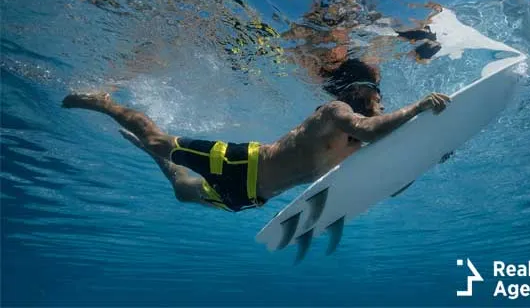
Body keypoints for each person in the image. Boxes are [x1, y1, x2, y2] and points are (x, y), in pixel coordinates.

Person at [62, 84, 450, 213]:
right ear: (362, 99)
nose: (382, 108)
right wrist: (416, 108)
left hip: (252, 197)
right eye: (378, 103)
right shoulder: (335, 113)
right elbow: (371, 127)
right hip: (240, 163)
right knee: (157, 140)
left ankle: (153, 156)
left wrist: (422, 158)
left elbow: (386, 182)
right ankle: (105, 102)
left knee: (182, 191)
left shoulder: (356, 150)